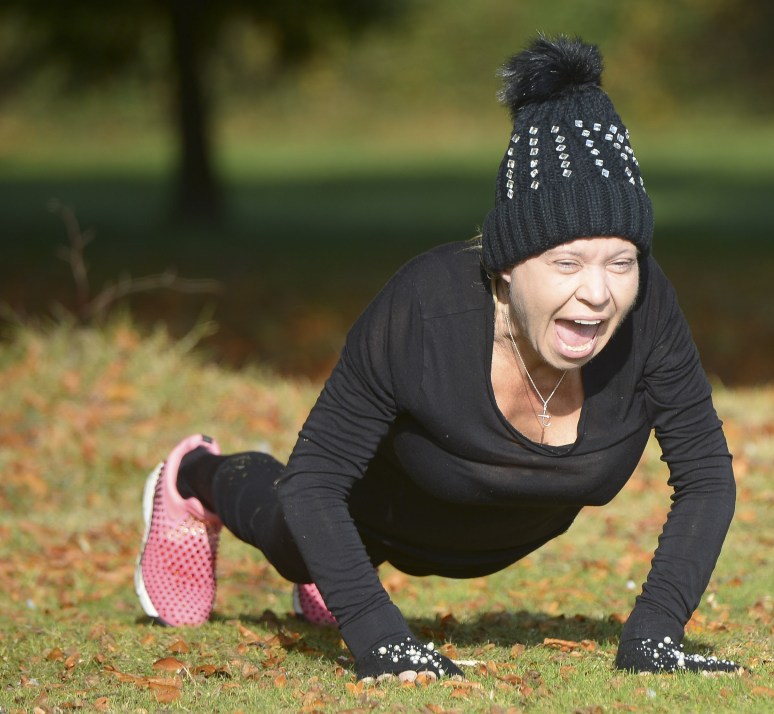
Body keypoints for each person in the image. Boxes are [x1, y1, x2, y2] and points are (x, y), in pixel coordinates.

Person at [135, 34, 741, 681]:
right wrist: (379, 638)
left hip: (481, 532)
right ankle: (193, 477)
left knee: (328, 553)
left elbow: (706, 476)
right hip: (376, 511)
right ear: (508, 268)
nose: (597, 293)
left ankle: (336, 566)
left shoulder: (646, 311)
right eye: (566, 262)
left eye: (620, 261)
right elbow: (317, 483)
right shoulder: (425, 310)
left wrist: (654, 633)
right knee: (297, 538)